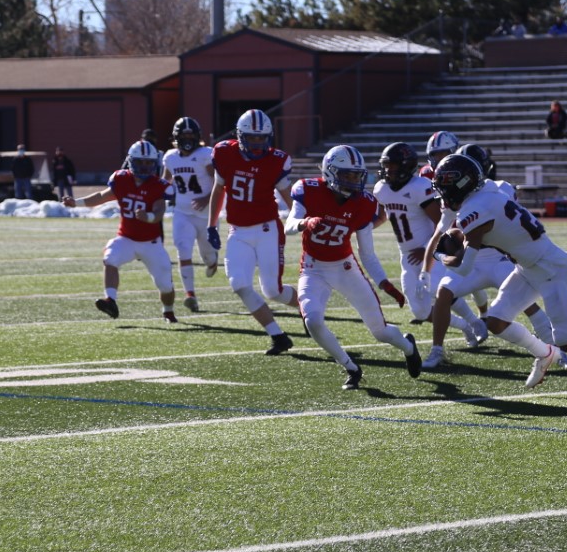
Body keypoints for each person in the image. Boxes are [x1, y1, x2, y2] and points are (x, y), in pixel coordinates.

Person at [434, 153, 567, 397]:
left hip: (550, 268)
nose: (442, 196)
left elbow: (464, 267)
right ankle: (544, 353)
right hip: (528, 267)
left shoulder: (473, 212)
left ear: (458, 187)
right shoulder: (488, 189)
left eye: (444, 189)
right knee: (496, 322)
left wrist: (439, 255)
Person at [420, 144, 567, 371]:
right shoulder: (465, 195)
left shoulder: (495, 191)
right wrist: (426, 266)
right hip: (474, 260)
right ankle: (437, 349)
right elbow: (441, 232)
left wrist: (441, 255)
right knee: (443, 293)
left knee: (527, 303)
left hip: (500, 259)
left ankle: (559, 353)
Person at [282, 146, 418, 389]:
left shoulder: (363, 204)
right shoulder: (308, 189)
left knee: (380, 332)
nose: (354, 181)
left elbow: (367, 253)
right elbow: (288, 224)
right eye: (348, 175)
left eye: (357, 176)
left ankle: (408, 347)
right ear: (331, 173)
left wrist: (384, 283)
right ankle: (351, 367)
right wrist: (305, 222)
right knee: (312, 321)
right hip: (313, 269)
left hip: (345, 268)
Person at [206, 108, 297, 355]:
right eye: (252, 138)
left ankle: (309, 310)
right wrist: (211, 224)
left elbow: (290, 199)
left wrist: (302, 222)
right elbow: (218, 189)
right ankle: (278, 336)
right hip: (238, 231)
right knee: (239, 285)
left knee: (273, 291)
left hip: (267, 229)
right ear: (240, 136)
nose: (258, 143)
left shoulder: (276, 160)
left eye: (262, 138)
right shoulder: (224, 153)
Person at [65, 140, 178, 321]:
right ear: (132, 161)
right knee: (110, 257)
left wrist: (148, 217)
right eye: (141, 161)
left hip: (151, 243)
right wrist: (76, 203)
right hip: (126, 238)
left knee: (165, 285)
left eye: (148, 162)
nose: (145, 166)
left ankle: (168, 310)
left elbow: (159, 212)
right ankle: (110, 300)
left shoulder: (158, 185)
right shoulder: (121, 179)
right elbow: (101, 197)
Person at [373, 141, 443, 326]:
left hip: (431, 255)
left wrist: (427, 250)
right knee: (420, 312)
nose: (388, 171)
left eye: (393, 166)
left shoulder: (420, 187)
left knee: (441, 290)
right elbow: (381, 217)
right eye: (386, 166)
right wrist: (360, 228)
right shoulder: (381, 188)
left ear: (406, 166)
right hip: (407, 257)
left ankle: (474, 322)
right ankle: (467, 326)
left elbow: (442, 223)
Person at [161, 116, 218, 311]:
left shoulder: (205, 154)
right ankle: (190, 294)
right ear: (176, 137)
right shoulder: (170, 157)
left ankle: (212, 262)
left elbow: (220, 183)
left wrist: (206, 198)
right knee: (183, 250)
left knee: (208, 255)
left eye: (190, 134)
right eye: (184, 134)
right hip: (182, 213)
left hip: (206, 214)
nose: (187, 138)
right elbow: (165, 182)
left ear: (197, 136)